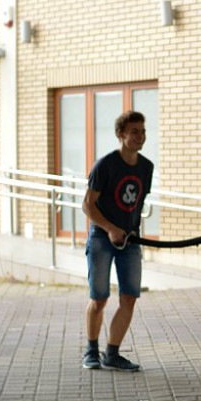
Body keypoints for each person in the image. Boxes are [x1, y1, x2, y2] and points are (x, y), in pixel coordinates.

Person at [80, 110, 154, 372]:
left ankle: (112, 354)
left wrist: (131, 233)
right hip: (102, 237)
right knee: (99, 298)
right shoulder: (105, 165)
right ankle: (91, 351)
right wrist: (110, 228)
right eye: (134, 131)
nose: (140, 136)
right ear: (121, 134)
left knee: (129, 298)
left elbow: (136, 205)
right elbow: (87, 205)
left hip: (130, 242)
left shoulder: (146, 168)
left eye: (143, 131)